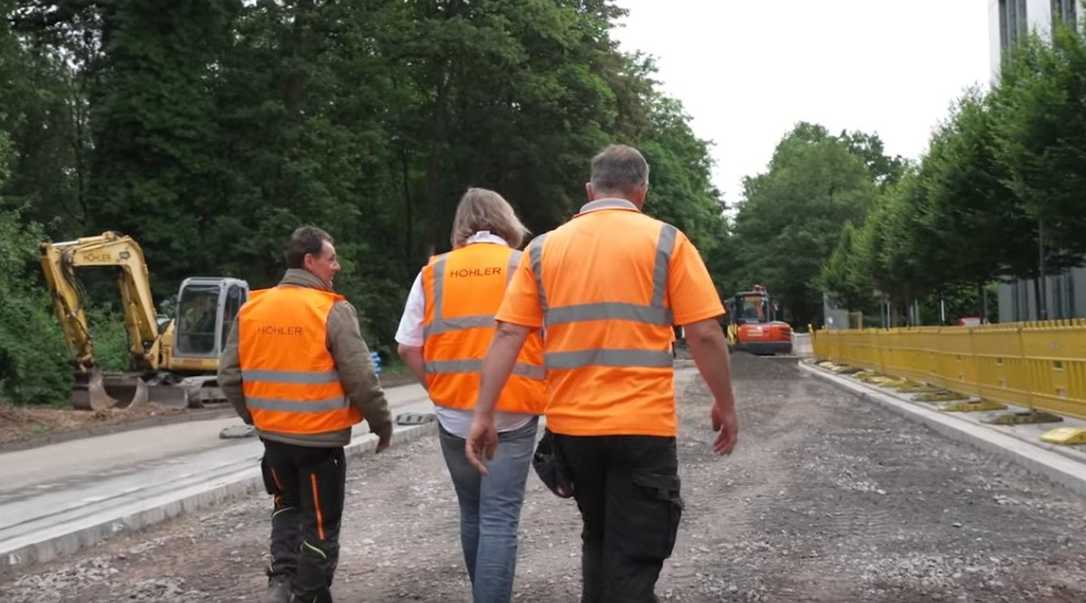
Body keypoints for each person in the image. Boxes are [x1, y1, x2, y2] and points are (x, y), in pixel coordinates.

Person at [466, 145, 739, 602]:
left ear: (590, 190)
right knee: (633, 557)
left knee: (598, 539)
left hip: (574, 431)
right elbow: (705, 333)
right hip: (642, 427)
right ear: (642, 192)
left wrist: (482, 414)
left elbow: (509, 335)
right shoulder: (667, 241)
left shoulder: (542, 249)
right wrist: (725, 404)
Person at [219, 226, 392, 603]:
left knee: (285, 506)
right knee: (319, 525)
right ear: (309, 262)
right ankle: (310, 595)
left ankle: (280, 582)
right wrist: (382, 424)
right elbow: (361, 378)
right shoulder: (332, 310)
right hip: (319, 442)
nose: (337, 266)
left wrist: (256, 416)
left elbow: (229, 375)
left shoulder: (253, 308)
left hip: (274, 440)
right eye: (331, 259)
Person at [396, 188, 546, 603]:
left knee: (473, 512)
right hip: (512, 412)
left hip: (454, 414)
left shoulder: (433, 272)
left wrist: (438, 388)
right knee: (499, 518)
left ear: (461, 225)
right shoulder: (525, 265)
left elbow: (408, 346)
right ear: (507, 221)